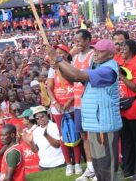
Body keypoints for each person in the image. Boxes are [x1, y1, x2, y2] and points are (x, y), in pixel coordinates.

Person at [48, 39, 122, 181]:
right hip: (96, 124)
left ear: (111, 55)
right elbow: (72, 78)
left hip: (104, 126)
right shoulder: (96, 67)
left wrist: (58, 59)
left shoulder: (108, 70)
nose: (96, 53)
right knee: (99, 163)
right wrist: (59, 67)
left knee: (106, 165)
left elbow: (76, 75)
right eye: (95, 50)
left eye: (101, 51)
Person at [47, 44, 82, 176]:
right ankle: (68, 164)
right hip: (58, 108)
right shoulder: (52, 69)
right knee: (63, 136)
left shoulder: (73, 66)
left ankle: (78, 163)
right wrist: (55, 102)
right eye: (56, 52)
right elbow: (49, 88)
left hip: (73, 106)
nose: (58, 54)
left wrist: (70, 100)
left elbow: (79, 85)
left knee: (76, 134)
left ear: (66, 54)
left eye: (61, 52)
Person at [67, 29, 96, 181]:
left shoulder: (94, 56)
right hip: (78, 103)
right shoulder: (76, 57)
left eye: (79, 40)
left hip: (90, 102)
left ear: (87, 40)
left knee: (94, 136)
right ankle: (90, 168)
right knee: (84, 135)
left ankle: (98, 168)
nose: (76, 43)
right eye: (75, 40)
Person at [118, 39, 136, 180]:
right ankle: (128, 169)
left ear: (132, 49)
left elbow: (135, 86)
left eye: (124, 48)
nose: (121, 50)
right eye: (121, 47)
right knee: (126, 139)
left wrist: (121, 76)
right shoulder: (121, 62)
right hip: (122, 106)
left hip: (134, 106)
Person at [30, 106, 64, 170]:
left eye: (42, 116)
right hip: (43, 165)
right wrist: (31, 142)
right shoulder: (36, 131)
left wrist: (46, 136)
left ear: (47, 115)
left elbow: (57, 145)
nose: (40, 119)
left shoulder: (55, 126)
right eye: (37, 118)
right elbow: (35, 150)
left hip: (58, 163)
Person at [18, 109, 40, 175]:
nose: (22, 121)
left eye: (23, 119)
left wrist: (21, 133)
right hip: (26, 166)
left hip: (36, 165)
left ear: (28, 120)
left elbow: (31, 144)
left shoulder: (37, 129)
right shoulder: (24, 130)